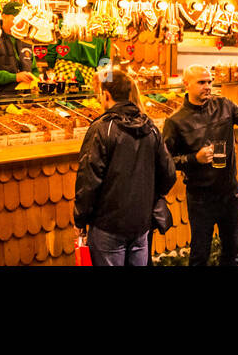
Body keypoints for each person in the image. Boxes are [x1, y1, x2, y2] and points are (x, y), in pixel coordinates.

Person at [162, 64, 238, 266]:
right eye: (201, 82)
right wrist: (194, 158)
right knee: (200, 255)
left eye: (209, 82)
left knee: (232, 253)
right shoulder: (176, 121)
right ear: (186, 84)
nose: (207, 86)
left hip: (230, 193)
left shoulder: (224, 105)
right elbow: (166, 160)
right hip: (200, 198)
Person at [73, 69, 176, 266]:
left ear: (106, 95)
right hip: (141, 224)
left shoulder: (102, 128)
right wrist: (149, 199)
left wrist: (80, 220)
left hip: (107, 226)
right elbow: (169, 174)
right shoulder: (151, 127)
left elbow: (88, 180)